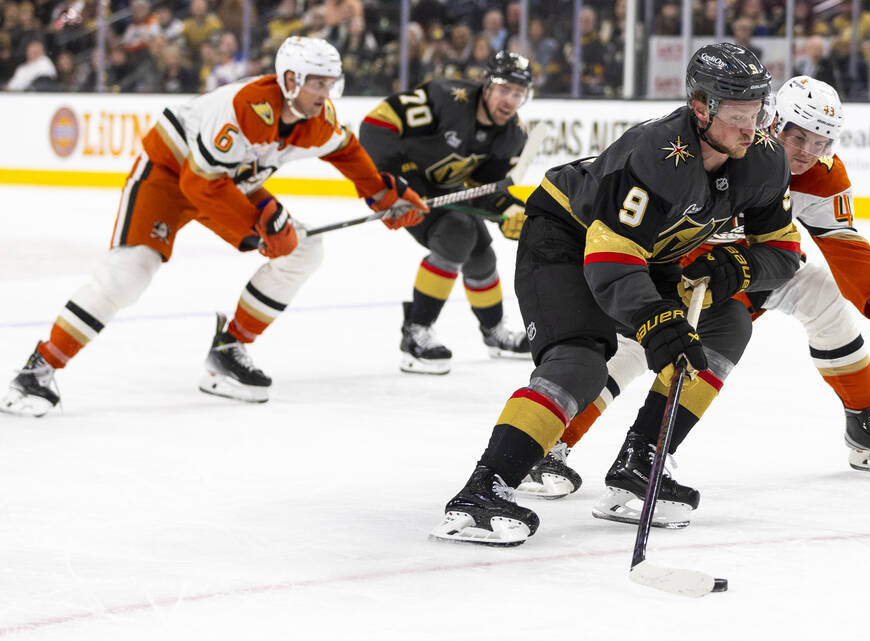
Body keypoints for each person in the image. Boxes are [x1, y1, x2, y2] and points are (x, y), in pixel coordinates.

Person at [429, 43, 805, 546]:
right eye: (738, 115)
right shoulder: (655, 152)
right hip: (565, 236)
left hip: (645, 254)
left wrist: (733, 269)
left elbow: (782, 253)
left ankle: (640, 460)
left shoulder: (763, 159)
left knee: (728, 324)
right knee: (580, 362)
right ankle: (481, 493)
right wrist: (654, 319)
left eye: (758, 112)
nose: (751, 126)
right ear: (700, 107)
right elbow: (611, 256)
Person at [519, 76, 870, 501]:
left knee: (820, 295)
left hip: (746, 269)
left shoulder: (820, 174)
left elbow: (842, 242)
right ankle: (552, 441)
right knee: (642, 344)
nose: (809, 152)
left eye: (822, 141)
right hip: (680, 264)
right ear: (773, 125)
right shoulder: (719, 149)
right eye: (799, 136)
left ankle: (864, 418)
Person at [1, 36, 427, 417]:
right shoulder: (247, 106)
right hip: (169, 173)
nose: (326, 92)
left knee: (304, 249)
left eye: (331, 83)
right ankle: (37, 369)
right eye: (318, 83)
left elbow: (347, 150)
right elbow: (197, 182)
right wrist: (258, 226)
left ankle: (228, 349)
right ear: (291, 81)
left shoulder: (318, 118)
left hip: (226, 179)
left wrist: (381, 193)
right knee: (130, 273)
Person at [358, 51, 534, 375]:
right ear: (487, 85)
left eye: (518, 93)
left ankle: (494, 332)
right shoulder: (445, 98)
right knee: (458, 233)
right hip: (403, 185)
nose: (510, 101)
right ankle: (416, 332)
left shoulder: (513, 134)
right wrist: (387, 185)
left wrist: (508, 209)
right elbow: (375, 125)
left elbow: (482, 189)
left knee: (482, 254)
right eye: (505, 89)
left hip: (443, 191)